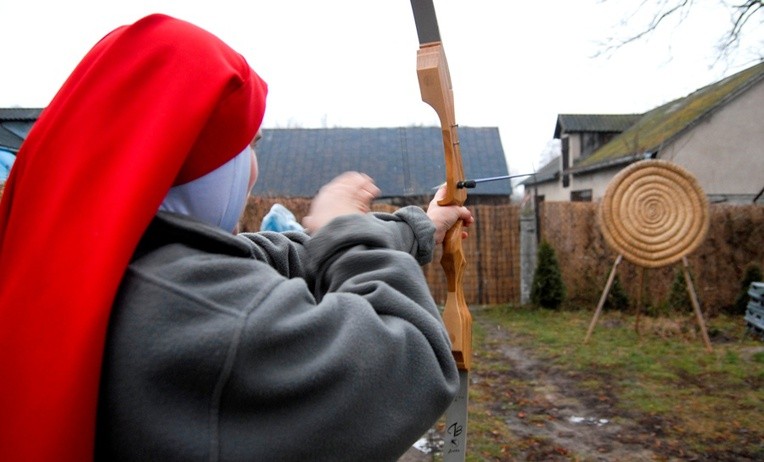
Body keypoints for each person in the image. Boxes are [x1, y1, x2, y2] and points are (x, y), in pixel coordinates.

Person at [0, 13, 474, 462]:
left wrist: (415, 226)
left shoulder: (86, 259)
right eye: (247, 144)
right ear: (193, 157)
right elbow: (409, 359)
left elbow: (275, 258)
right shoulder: (200, 309)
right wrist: (341, 229)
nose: (250, 166)